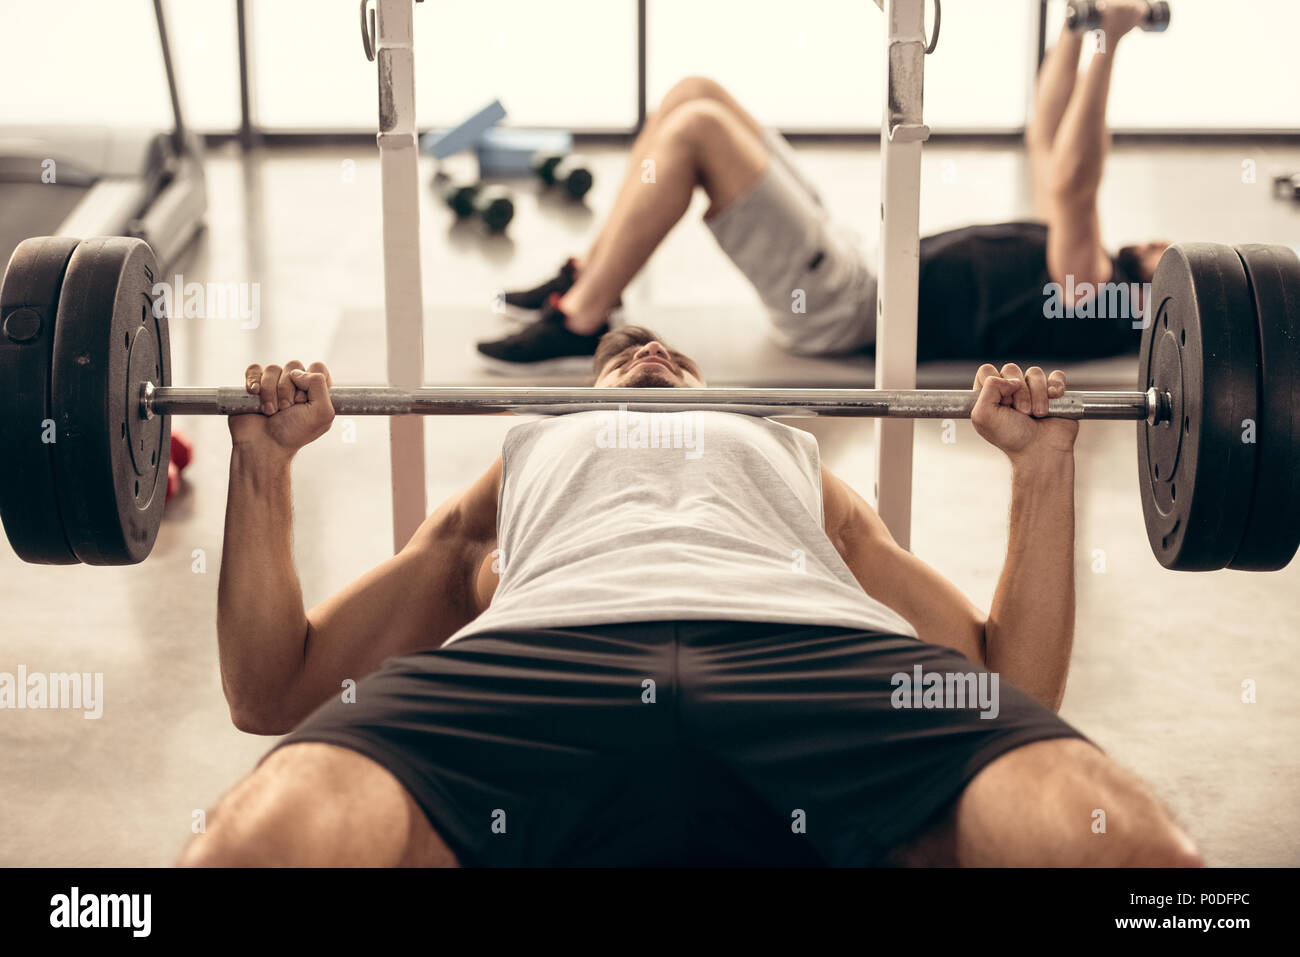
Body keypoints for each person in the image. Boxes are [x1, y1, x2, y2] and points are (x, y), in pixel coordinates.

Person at [178, 330, 1203, 867]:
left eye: (670, 354)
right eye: (622, 358)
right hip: (543, 660)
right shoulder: (531, 452)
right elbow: (274, 688)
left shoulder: (784, 452)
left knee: (1136, 850)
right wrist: (262, 466)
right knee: (252, 851)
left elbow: (1013, 681)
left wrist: (1040, 470)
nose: (650, 354)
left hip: (818, 658)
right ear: (581, 401)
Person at [476, 0, 1170, 375]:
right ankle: (588, 274)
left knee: (695, 134)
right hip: (856, 262)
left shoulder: (1093, 294)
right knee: (696, 92)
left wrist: (1111, 40)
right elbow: (1048, 138)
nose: (1171, 241)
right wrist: (1081, 24)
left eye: (1176, 256)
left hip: (845, 308)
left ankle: (581, 319)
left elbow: (1078, 180)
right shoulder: (1088, 273)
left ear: (1152, 291)